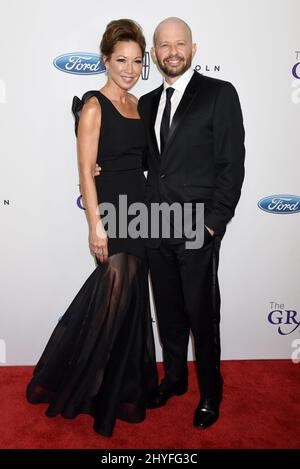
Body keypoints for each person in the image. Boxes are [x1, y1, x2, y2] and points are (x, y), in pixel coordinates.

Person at [96, 16, 245, 429]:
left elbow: (232, 166)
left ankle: (211, 392)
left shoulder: (219, 94)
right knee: (170, 313)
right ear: (155, 56)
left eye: (180, 44)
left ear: (193, 50)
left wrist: (213, 224)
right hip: (156, 226)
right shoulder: (146, 103)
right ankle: (175, 379)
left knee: (203, 316)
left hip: (198, 227)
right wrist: (98, 166)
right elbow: (143, 163)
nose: (172, 51)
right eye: (164, 45)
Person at [26, 19, 158, 438]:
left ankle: (114, 385)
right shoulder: (94, 105)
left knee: (128, 299)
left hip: (141, 211)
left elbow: (144, 162)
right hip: (112, 211)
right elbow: (85, 171)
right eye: (121, 60)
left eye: (137, 61)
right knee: (111, 297)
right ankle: (87, 385)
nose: (129, 68)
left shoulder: (140, 105)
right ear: (105, 59)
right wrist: (95, 227)